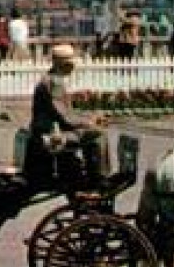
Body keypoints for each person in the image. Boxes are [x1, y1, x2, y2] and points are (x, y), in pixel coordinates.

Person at [18, 43, 109, 186]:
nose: (73, 67)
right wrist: (89, 122)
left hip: (46, 130)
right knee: (97, 135)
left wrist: (88, 118)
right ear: (64, 65)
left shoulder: (50, 79)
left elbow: (64, 113)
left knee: (88, 131)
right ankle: (99, 177)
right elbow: (64, 117)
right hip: (50, 134)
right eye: (70, 64)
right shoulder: (55, 82)